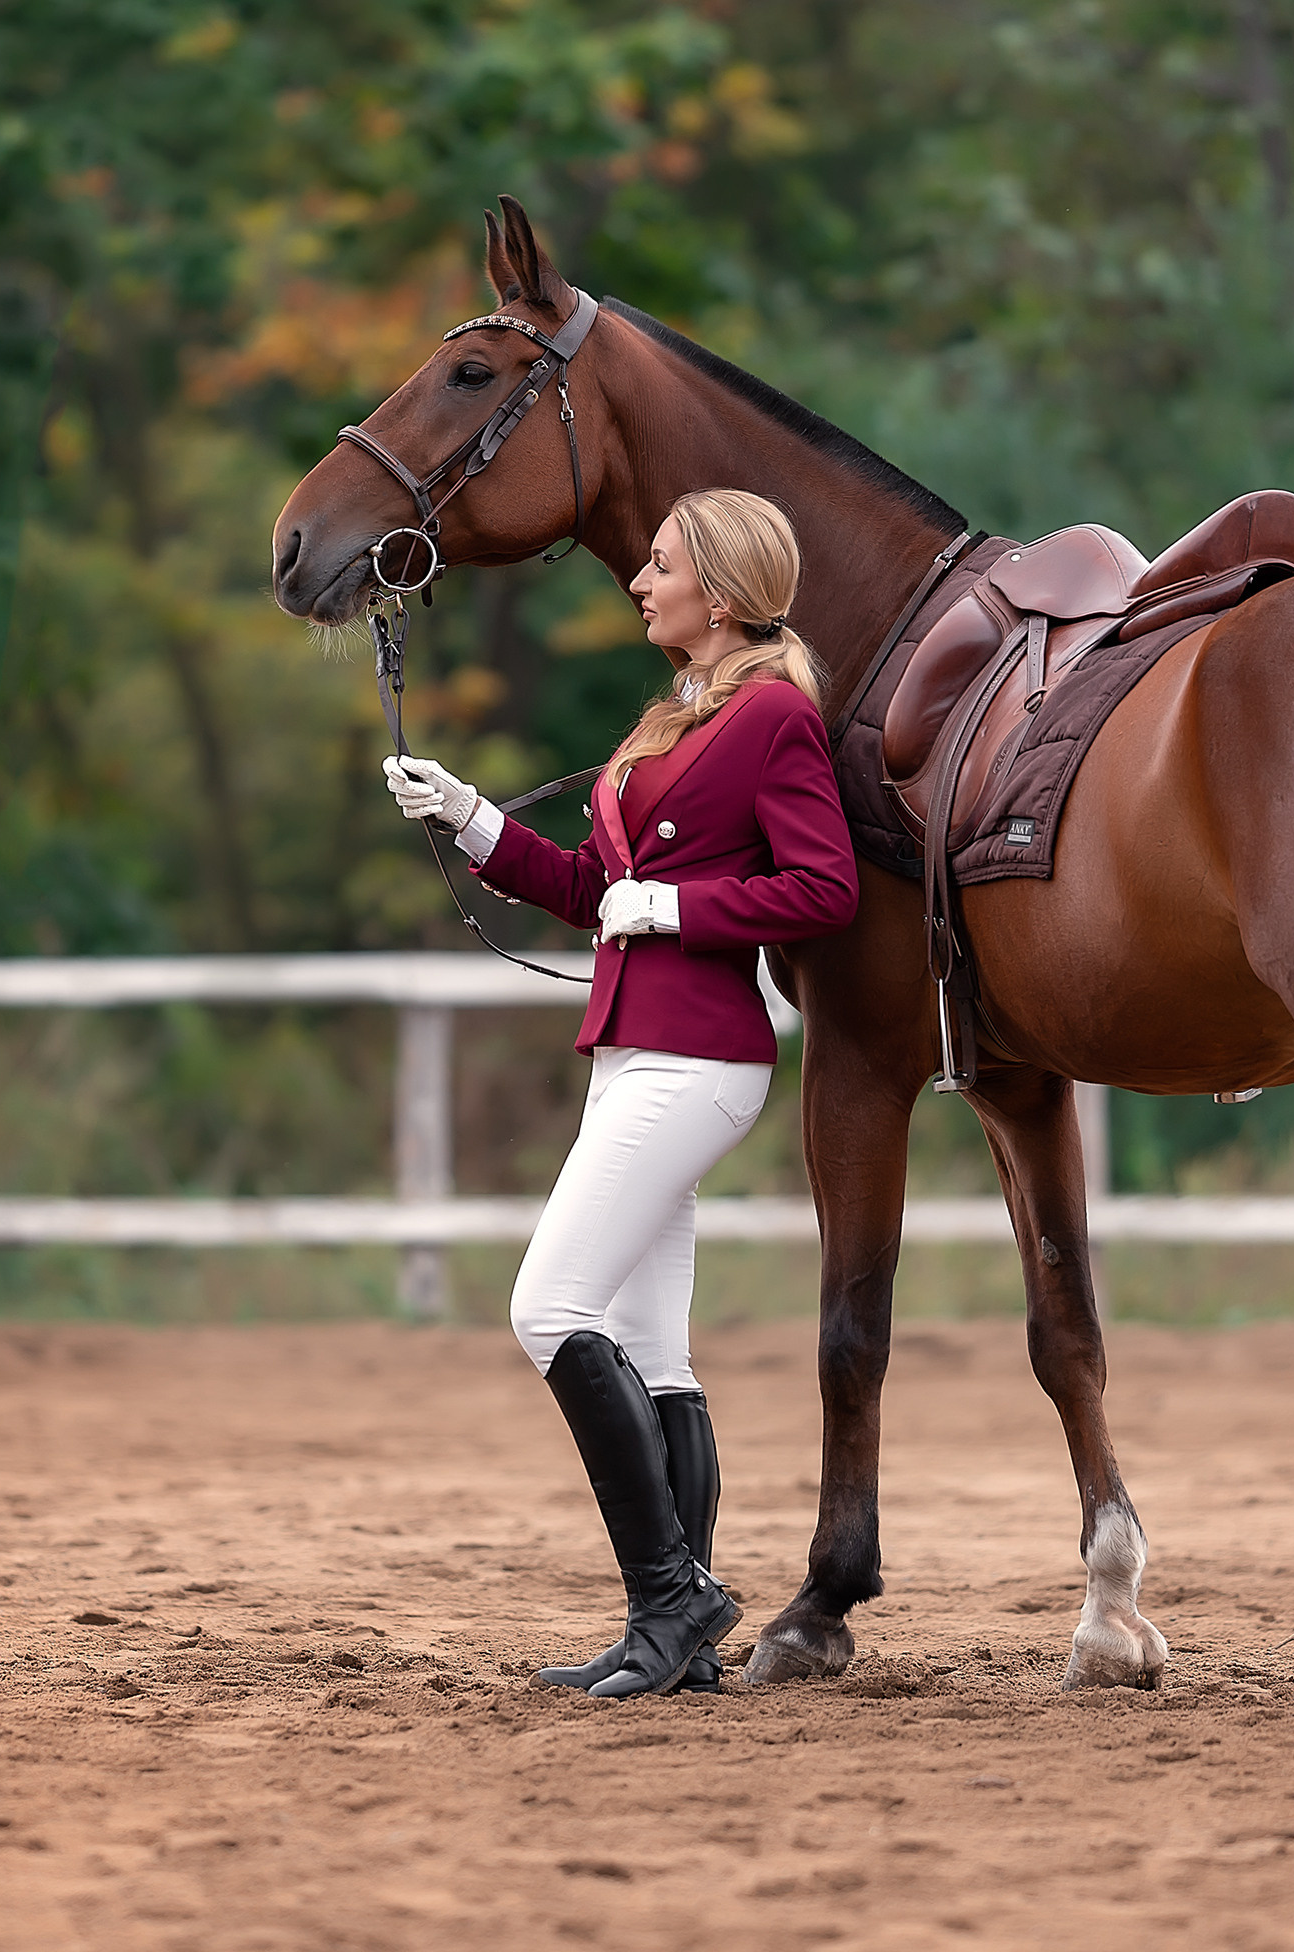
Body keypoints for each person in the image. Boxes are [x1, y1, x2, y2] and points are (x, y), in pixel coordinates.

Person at [382, 488, 858, 1699]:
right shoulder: (679, 717)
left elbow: (823, 889)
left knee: (547, 1309)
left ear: (723, 587)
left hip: (699, 1055)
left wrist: (681, 909)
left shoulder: (773, 718)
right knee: (649, 1343)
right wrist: (471, 816)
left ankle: (671, 1594)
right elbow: (595, 880)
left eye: (658, 568)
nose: (637, 585)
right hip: (635, 1048)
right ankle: (677, 1633)